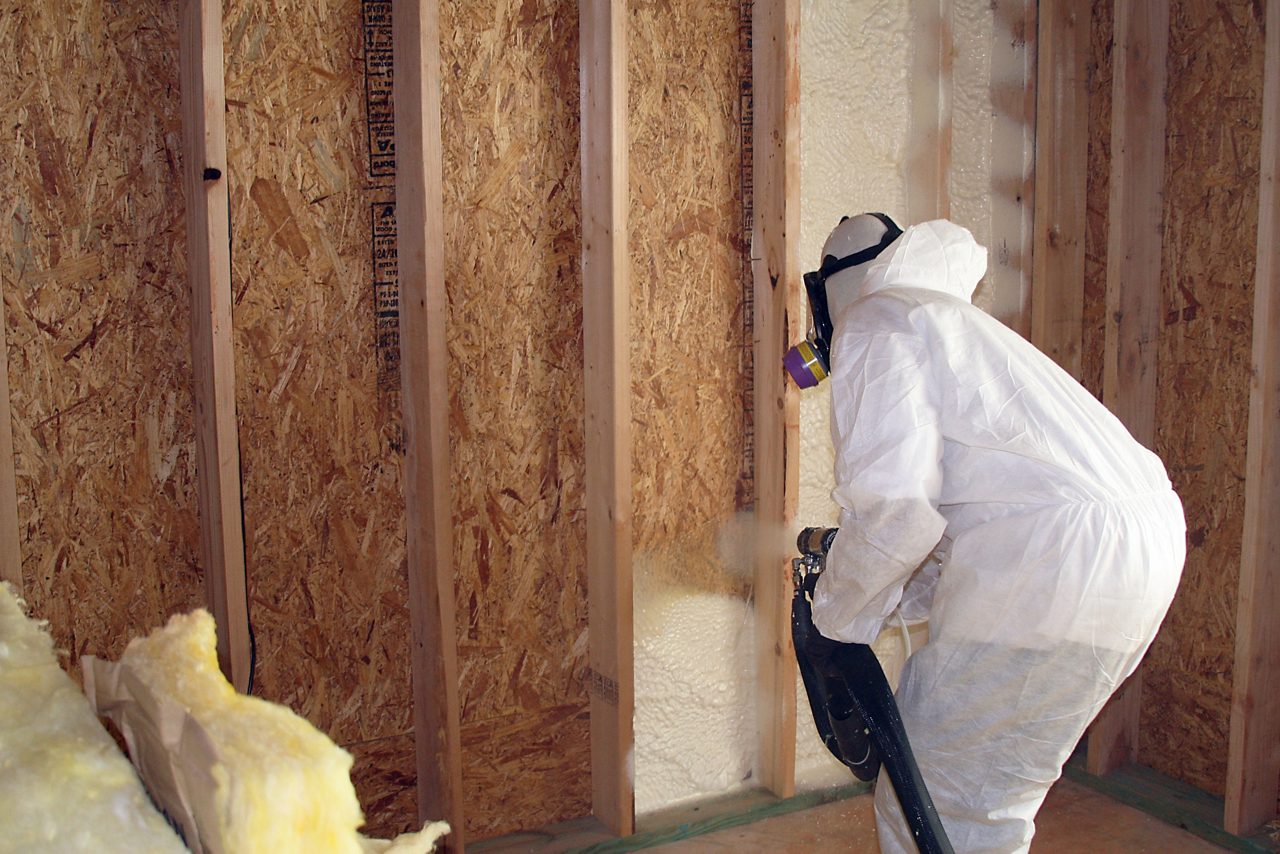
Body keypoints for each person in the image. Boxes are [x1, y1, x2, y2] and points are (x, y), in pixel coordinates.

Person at [804, 214, 1186, 853]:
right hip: (1140, 544)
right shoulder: (957, 325)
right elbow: (949, 528)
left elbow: (896, 511)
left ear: (828, 295)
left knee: (935, 796)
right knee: (989, 791)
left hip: (1051, 556)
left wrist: (833, 619)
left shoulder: (875, 320)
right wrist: (866, 591)